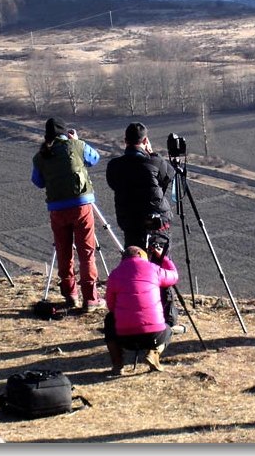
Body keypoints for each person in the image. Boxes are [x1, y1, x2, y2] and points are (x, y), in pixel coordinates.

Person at [32, 117, 105, 313]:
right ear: (66, 133)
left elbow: (37, 182)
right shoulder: (76, 145)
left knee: (64, 252)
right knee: (86, 252)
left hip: (56, 209)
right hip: (81, 205)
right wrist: (77, 140)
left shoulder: (41, 156)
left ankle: (70, 295)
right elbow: (95, 158)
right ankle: (90, 298)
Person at [104, 246, 179, 375]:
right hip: (153, 335)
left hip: (125, 338)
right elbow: (174, 276)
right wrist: (163, 257)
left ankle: (117, 363)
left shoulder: (114, 274)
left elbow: (111, 306)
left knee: (109, 319)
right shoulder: (153, 269)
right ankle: (153, 352)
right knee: (167, 328)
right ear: (140, 254)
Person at [105, 122, 175, 250]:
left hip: (130, 224)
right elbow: (169, 175)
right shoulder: (155, 162)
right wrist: (153, 154)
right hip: (157, 223)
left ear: (125, 141)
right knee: (159, 266)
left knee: (136, 263)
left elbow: (113, 184)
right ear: (145, 140)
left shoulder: (114, 166)